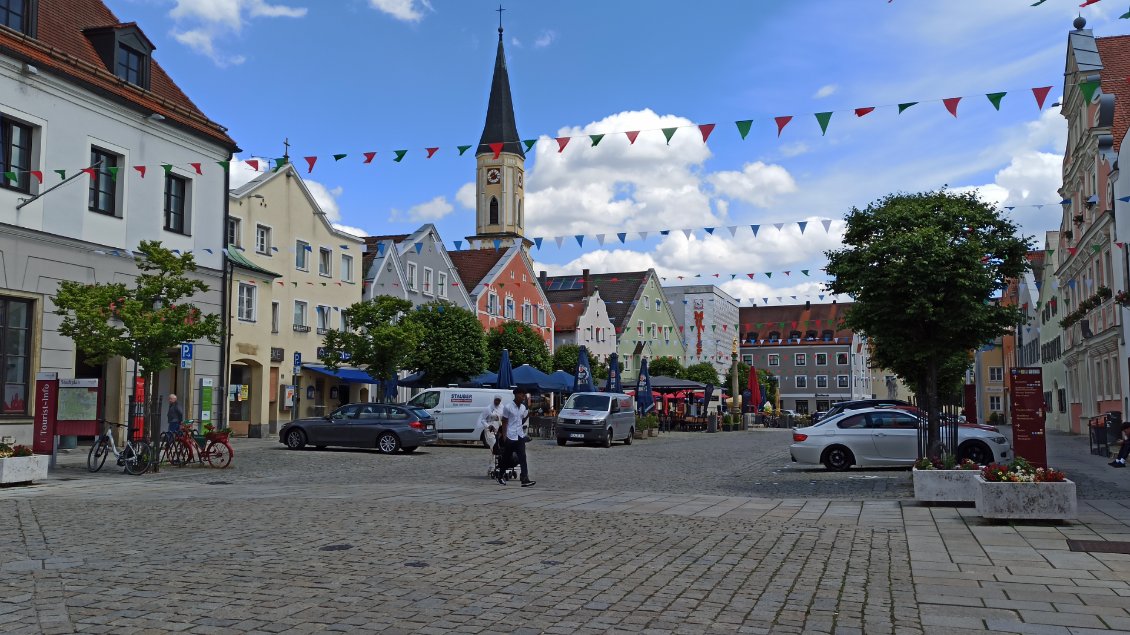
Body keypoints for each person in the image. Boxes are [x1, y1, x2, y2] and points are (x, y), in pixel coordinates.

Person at [498, 388, 534, 487]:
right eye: (522, 395)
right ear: (516, 395)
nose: (523, 398)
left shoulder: (522, 407)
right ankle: (500, 475)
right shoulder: (508, 407)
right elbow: (504, 422)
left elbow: (520, 421)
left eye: (524, 396)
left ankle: (524, 479)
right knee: (506, 458)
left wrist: (527, 416)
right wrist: (504, 436)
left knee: (523, 457)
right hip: (510, 435)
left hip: (519, 435)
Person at [479, 396, 503, 472]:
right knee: (494, 446)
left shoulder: (502, 408)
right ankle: (492, 467)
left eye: (499, 400)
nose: (497, 402)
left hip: (499, 430)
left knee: (500, 447)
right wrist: (488, 426)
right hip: (489, 430)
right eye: (496, 400)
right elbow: (482, 420)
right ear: (494, 400)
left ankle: (497, 465)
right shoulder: (488, 408)